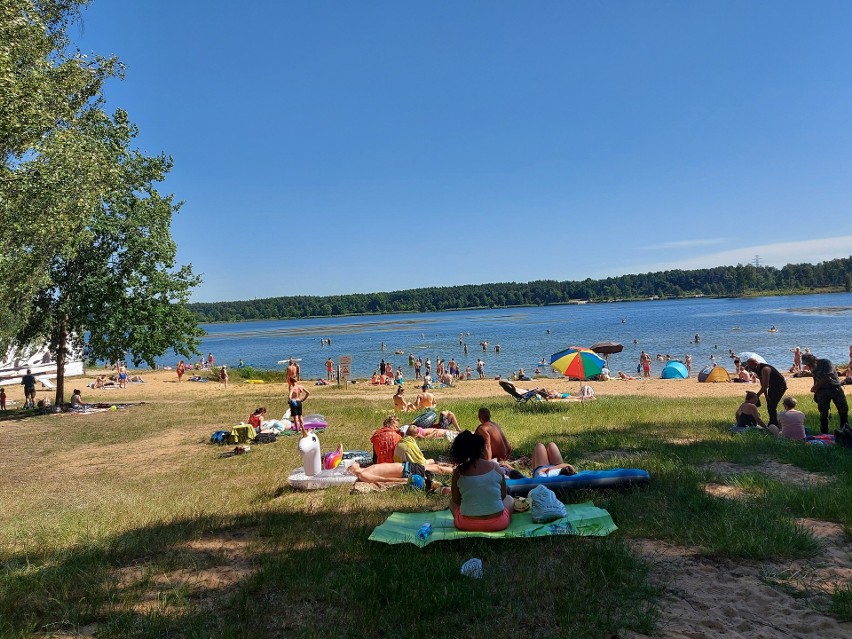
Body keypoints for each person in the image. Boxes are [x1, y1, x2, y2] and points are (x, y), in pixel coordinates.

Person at [448, 431, 514, 532]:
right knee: (510, 499)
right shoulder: (496, 468)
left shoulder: (458, 472)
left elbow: (456, 500)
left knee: (451, 502)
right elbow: (503, 496)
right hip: (498, 523)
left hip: (466, 524)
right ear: (482, 450)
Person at [801, 352, 849, 434]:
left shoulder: (826, 362)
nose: (808, 366)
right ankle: (824, 433)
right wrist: (815, 391)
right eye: (807, 364)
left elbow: (828, 375)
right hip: (822, 391)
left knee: (843, 411)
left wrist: (816, 387)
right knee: (823, 413)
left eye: (809, 364)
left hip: (835, 389)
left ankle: (845, 431)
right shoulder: (812, 367)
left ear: (814, 359)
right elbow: (815, 378)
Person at [745, 358, 786, 427]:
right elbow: (762, 382)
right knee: (769, 405)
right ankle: (773, 422)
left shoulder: (765, 369)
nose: (749, 369)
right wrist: (766, 395)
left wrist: (756, 396)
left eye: (750, 367)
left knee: (772, 405)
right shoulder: (757, 369)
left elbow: (765, 385)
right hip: (772, 386)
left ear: (755, 364)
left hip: (780, 386)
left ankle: (774, 423)